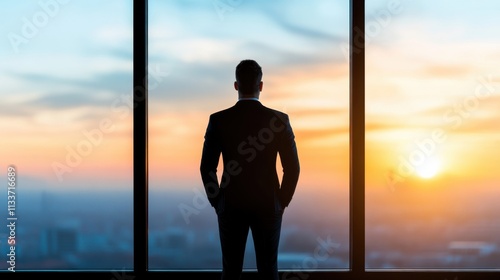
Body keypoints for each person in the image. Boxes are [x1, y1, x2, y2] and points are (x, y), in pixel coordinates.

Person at [200, 59, 300, 280]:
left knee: (231, 270)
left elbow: (207, 167)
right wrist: (281, 200)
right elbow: (292, 168)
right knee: (268, 269)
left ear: (236, 85)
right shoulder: (279, 121)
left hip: (231, 204)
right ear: (261, 86)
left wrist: (218, 201)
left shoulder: (218, 121)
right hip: (268, 204)